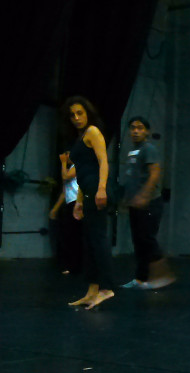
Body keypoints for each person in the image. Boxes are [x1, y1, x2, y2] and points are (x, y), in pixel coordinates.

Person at [63, 96, 115, 309]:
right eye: (72, 115)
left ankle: (106, 288)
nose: (76, 118)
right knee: (89, 241)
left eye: (80, 113)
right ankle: (92, 291)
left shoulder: (93, 131)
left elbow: (103, 161)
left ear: (88, 113)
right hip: (86, 191)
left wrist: (101, 189)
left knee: (98, 239)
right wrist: (78, 201)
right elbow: (82, 173)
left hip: (96, 188)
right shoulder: (80, 137)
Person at [120, 116, 174, 289]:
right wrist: (127, 200)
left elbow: (155, 173)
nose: (135, 131)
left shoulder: (148, 149)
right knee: (138, 242)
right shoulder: (133, 151)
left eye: (140, 128)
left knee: (147, 239)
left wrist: (144, 195)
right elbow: (132, 178)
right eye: (133, 128)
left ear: (147, 132)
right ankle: (140, 279)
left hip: (149, 202)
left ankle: (163, 276)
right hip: (135, 204)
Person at [49, 151, 82, 275]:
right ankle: (68, 263)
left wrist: (63, 163)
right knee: (68, 234)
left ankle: (75, 265)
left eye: (68, 154)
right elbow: (64, 191)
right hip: (70, 202)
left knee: (74, 235)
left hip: (77, 202)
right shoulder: (68, 169)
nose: (66, 156)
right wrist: (55, 209)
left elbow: (65, 177)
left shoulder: (78, 165)